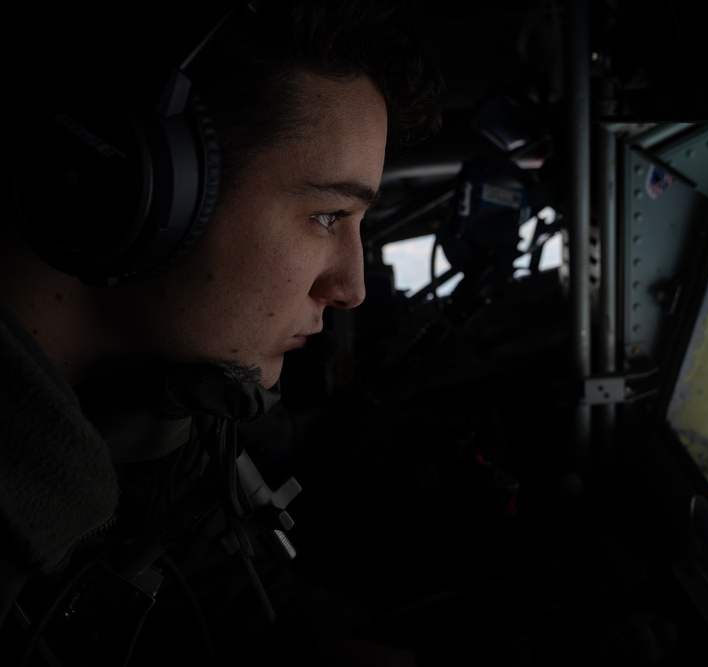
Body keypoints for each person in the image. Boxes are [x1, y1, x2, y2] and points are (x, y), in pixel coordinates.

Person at [0, 1, 444, 664]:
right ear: (138, 183)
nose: (350, 288)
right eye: (328, 216)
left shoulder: (144, 414)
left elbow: (203, 570)